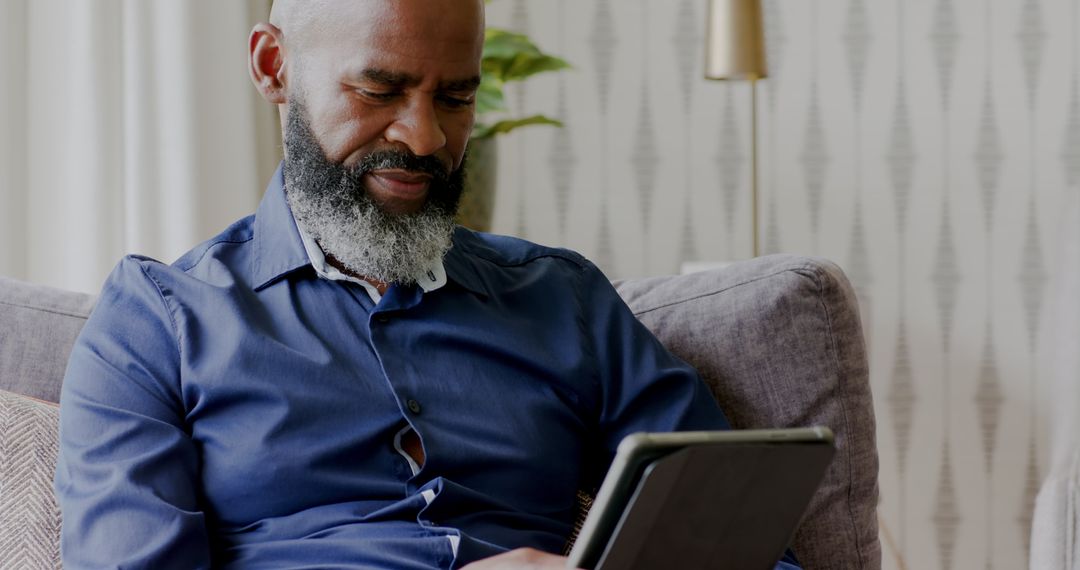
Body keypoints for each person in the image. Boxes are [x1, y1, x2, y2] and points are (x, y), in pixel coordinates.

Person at [54, 0, 800, 568]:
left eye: (456, 98)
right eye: (380, 90)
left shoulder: (560, 299)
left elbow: (741, 542)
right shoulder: (155, 323)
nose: (425, 139)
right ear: (272, 66)